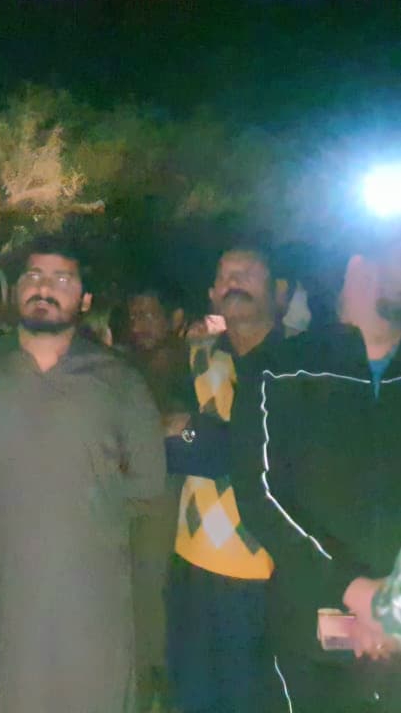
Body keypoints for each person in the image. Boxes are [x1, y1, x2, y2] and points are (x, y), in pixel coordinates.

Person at [0, 233, 165, 713]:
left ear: (85, 299)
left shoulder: (120, 381)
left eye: (62, 279)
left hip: (88, 600)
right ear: (15, 291)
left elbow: (148, 483)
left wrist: (80, 521)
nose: (44, 288)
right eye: (34, 276)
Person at [231, 228, 401, 710]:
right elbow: (261, 495)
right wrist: (356, 592)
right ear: (358, 268)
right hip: (311, 639)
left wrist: (393, 609)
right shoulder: (281, 369)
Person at [166, 243, 283, 713]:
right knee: (192, 698)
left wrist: (199, 434)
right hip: (193, 566)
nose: (234, 281)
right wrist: (200, 438)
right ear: (213, 294)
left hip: (272, 574)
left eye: (247, 272)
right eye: (225, 274)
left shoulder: (299, 361)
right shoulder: (196, 356)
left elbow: (258, 454)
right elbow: (167, 440)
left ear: (278, 290)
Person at [122, 281, 191, 710]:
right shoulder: (124, 366)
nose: (139, 325)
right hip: (127, 499)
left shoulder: (191, 364)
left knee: (153, 599)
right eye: (134, 316)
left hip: (167, 499)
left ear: (174, 319)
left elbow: (185, 424)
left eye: (148, 315)